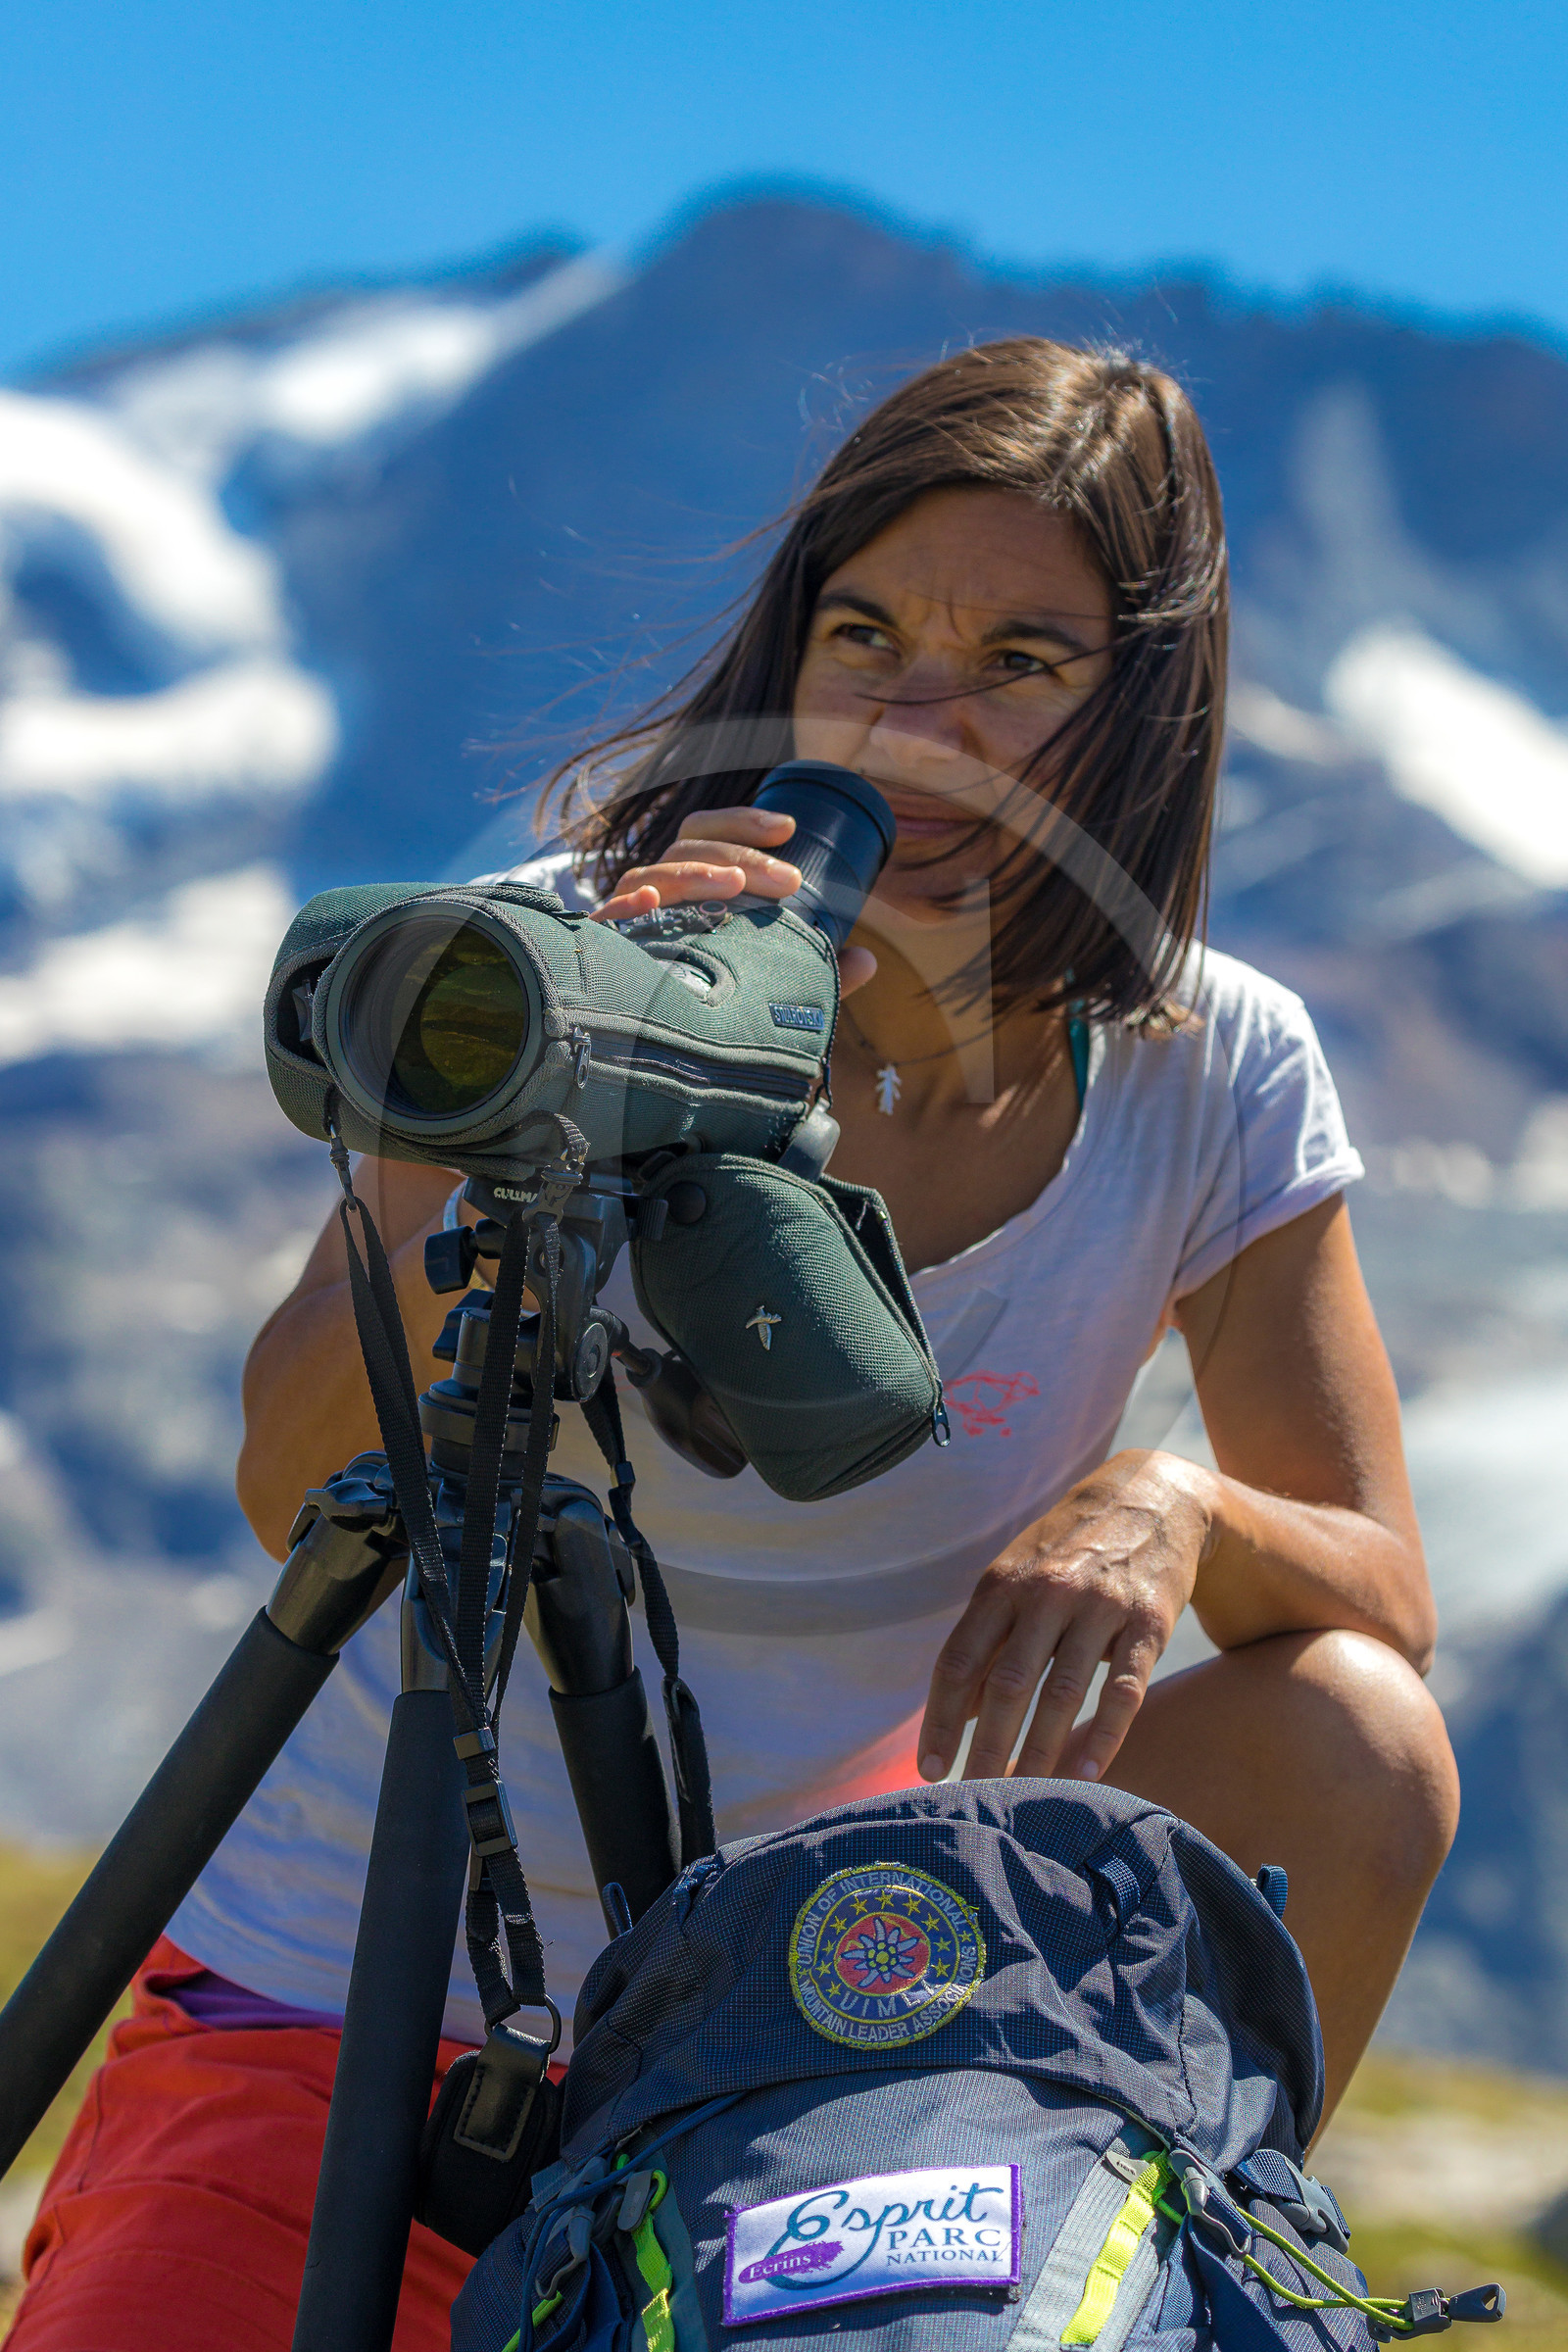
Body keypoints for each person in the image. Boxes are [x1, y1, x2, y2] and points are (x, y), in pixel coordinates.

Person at [11, 339, 1458, 2351]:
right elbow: (288, 1484)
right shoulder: (557, 949)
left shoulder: (1206, 1070)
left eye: (1021, 665)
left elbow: (1380, 1592)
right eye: (862, 633)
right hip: (331, 1981)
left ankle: (1164, 2247)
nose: (917, 720)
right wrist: (545, 1097)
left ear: (1147, 710)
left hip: (820, 2001)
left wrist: (1166, 1507)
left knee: (1347, 1728)